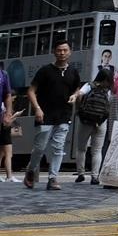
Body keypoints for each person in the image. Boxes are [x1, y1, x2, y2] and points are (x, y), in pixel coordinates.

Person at [25, 40, 81, 190]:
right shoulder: (45, 71)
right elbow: (31, 91)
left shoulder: (73, 72)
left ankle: (53, 178)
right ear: (54, 52)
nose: (62, 53)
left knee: (58, 148)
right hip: (44, 115)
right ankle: (30, 171)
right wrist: (37, 108)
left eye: (65, 50)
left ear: (70, 52)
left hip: (64, 115)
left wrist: (75, 96)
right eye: (59, 50)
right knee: (40, 148)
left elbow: (77, 88)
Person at [72, 71, 114, 184]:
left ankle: (80, 173)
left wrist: (78, 109)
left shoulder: (89, 85)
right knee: (97, 150)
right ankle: (95, 176)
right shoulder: (109, 91)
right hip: (101, 123)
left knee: (81, 148)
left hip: (85, 121)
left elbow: (79, 94)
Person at [0, 65, 14, 182]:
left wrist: (8, 114)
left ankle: (9, 176)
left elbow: (8, 94)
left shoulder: (3, 74)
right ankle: (9, 176)